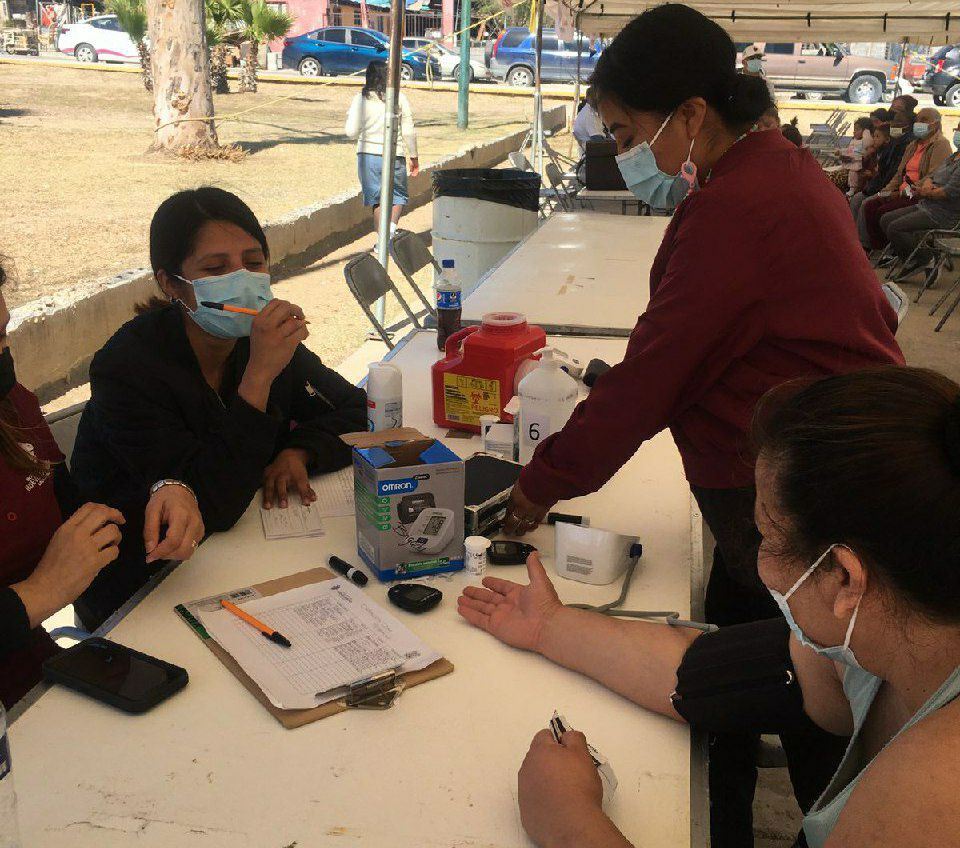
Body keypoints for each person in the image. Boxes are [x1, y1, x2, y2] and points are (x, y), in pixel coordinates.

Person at [498, 5, 904, 844]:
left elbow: (653, 378)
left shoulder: (741, 205)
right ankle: (728, 801)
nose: (618, 152)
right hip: (810, 475)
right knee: (748, 653)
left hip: (816, 496)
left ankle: (818, 817)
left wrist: (539, 485)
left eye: (624, 130)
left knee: (817, 705)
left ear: (689, 114)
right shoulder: (770, 172)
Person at [460, 366, 960, 848]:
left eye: (767, 534)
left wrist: (571, 826)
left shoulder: (935, 795)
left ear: (846, 578)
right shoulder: (893, 630)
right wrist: (550, 625)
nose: (757, 554)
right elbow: (706, 675)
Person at [70, 188, 367, 629]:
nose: (242, 279)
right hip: (142, 586)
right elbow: (210, 505)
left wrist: (300, 450)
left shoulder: (258, 338)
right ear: (171, 284)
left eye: (254, 262)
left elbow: (358, 408)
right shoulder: (128, 366)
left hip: (241, 560)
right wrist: (258, 378)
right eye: (215, 269)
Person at [0, 256, 204, 708]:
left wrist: (167, 499)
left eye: (0, 335)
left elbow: (80, 519)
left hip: (42, 684)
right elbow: (55, 576)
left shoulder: (13, 407)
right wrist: (41, 592)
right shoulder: (129, 364)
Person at [345, 61, 420, 241]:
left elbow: (351, 132)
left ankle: (382, 242)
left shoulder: (360, 99)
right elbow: (409, 130)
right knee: (398, 197)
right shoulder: (399, 98)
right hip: (395, 155)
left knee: (377, 200)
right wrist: (414, 156)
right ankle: (390, 233)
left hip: (367, 156)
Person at [859, 107, 951, 252]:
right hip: (901, 190)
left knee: (882, 212)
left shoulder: (940, 144)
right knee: (870, 204)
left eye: (924, 120)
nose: (919, 123)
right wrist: (886, 191)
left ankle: (890, 250)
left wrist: (903, 192)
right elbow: (899, 173)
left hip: (917, 194)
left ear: (935, 124)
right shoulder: (913, 145)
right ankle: (876, 248)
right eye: (918, 120)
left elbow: (933, 176)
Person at [881, 124, 960, 277]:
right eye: (957, 130)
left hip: (943, 214)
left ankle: (925, 258)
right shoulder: (953, 157)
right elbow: (933, 175)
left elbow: (949, 192)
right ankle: (913, 259)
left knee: (895, 228)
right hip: (927, 204)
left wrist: (926, 192)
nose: (957, 133)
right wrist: (928, 184)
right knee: (885, 219)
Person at [850, 112, 913, 227]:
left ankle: (864, 241)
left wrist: (882, 190)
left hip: (896, 190)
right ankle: (853, 232)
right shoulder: (886, 150)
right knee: (857, 199)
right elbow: (889, 175)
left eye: (877, 137)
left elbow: (890, 176)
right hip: (883, 187)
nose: (874, 139)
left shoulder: (900, 148)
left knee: (866, 204)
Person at [841, 117, 874, 195]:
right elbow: (850, 152)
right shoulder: (855, 141)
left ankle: (852, 189)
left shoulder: (866, 143)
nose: (854, 132)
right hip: (849, 166)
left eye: (857, 129)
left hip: (857, 171)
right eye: (854, 130)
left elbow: (867, 142)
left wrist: (866, 132)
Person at [573, 86, 606, 152]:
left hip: (592, 150)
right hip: (592, 153)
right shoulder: (589, 115)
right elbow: (598, 141)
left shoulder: (590, 110)